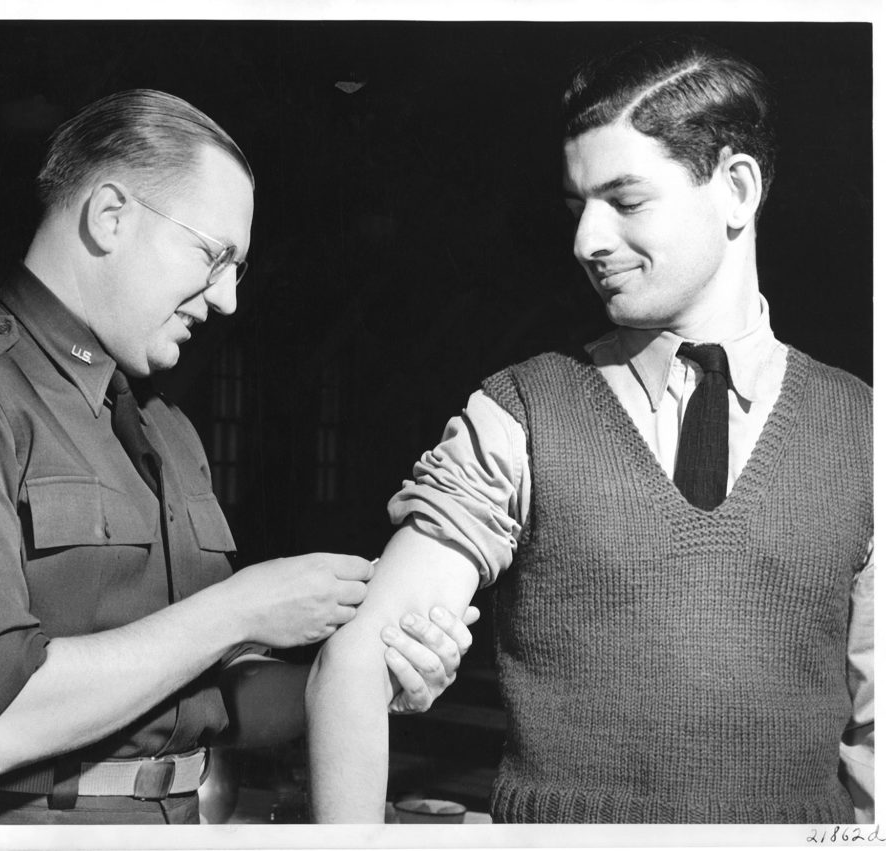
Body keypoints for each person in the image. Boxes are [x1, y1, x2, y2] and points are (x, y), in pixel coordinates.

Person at [306, 36, 873, 824]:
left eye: (626, 201)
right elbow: (354, 661)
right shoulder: (519, 415)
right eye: (578, 208)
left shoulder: (865, 431)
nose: (586, 241)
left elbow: (876, 737)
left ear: (737, 189)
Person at [0, 88, 478, 826]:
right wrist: (243, 606)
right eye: (213, 254)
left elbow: (223, 700)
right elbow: (3, 723)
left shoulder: (167, 429)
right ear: (110, 216)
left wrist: (364, 672)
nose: (225, 299)